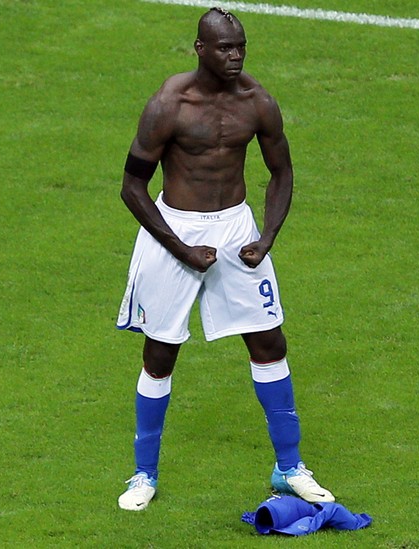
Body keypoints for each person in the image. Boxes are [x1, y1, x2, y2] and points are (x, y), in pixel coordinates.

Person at [115, 7, 334, 511]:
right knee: (160, 353)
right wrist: (181, 248)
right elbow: (132, 187)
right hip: (175, 230)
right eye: (224, 48)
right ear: (200, 49)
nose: (235, 56)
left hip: (235, 229)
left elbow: (281, 172)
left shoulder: (258, 102)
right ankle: (143, 474)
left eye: (240, 47)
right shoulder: (169, 104)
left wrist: (268, 236)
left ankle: (289, 468)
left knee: (269, 341)